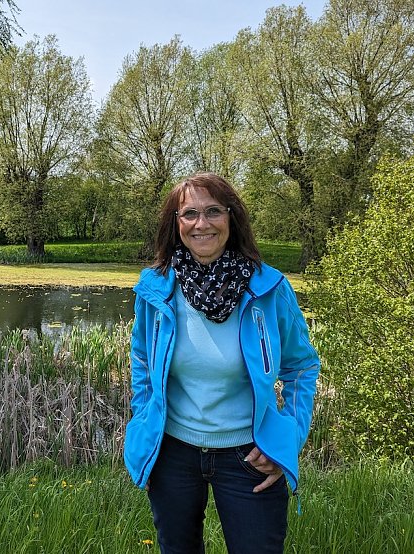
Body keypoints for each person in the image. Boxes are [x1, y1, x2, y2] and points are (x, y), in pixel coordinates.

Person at [124, 172, 320, 553]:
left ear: (232, 218)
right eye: (189, 214)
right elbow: (143, 366)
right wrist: (145, 431)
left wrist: (287, 439)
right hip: (173, 455)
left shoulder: (269, 288)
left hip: (250, 455)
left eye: (213, 211)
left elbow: (302, 368)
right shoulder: (156, 289)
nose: (202, 224)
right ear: (175, 223)